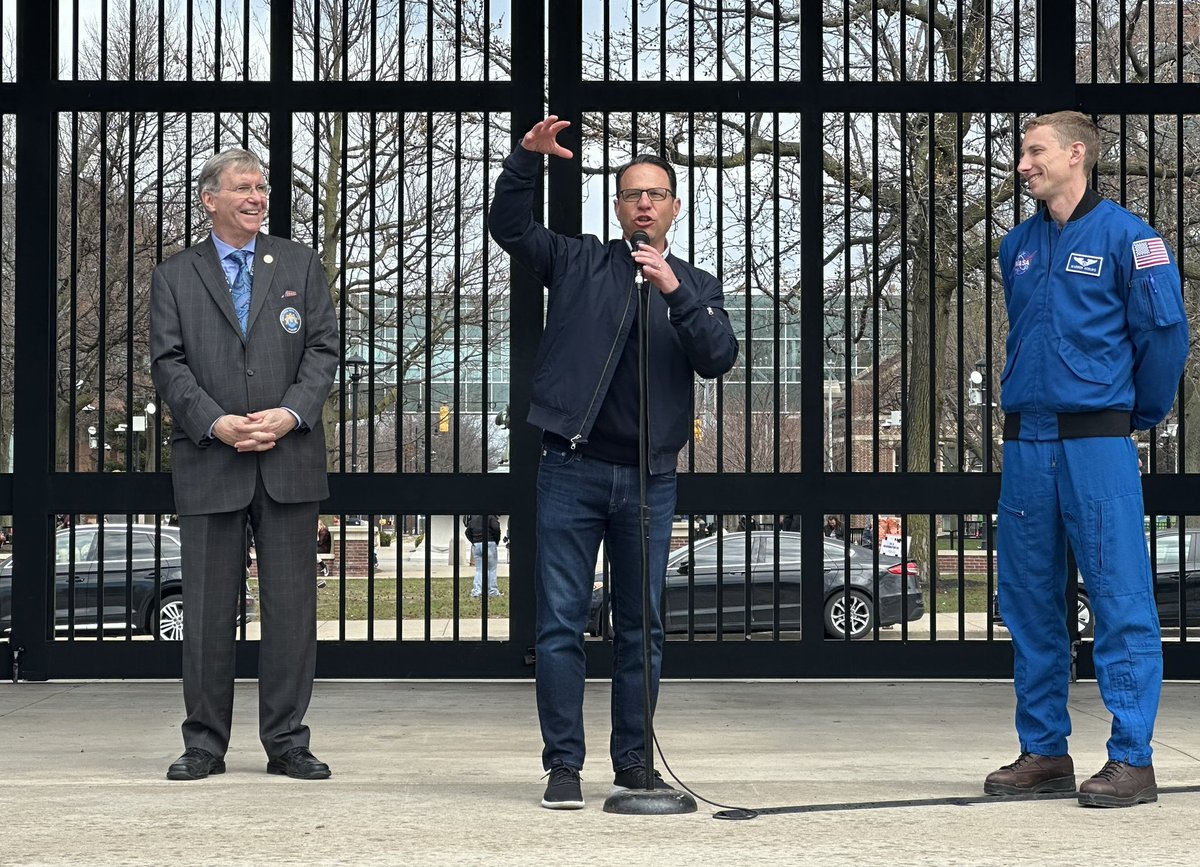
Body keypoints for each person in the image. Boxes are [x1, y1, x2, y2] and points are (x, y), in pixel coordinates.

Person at [489, 116, 738, 810]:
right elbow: (510, 227)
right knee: (560, 623)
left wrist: (674, 293)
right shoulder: (577, 262)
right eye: (631, 194)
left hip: (651, 480)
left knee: (642, 626)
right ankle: (563, 765)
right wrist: (525, 162)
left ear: (675, 208)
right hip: (571, 469)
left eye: (657, 194)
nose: (644, 205)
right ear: (617, 207)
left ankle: (633, 762)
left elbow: (719, 356)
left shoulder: (695, 284)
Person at [984, 112, 1188, 808]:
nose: (1023, 164)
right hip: (1026, 442)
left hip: (1096, 442)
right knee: (1030, 600)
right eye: (1022, 153)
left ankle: (1132, 757)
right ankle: (1045, 751)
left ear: (1077, 155)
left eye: (1035, 151)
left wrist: (1135, 416)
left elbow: (1164, 337)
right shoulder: (1017, 245)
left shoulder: (1134, 241)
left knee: (1119, 594)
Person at [150, 147, 339, 782]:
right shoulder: (175, 276)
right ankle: (204, 742)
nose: (258, 196)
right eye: (243, 187)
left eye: (262, 187)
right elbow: (168, 364)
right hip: (211, 461)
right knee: (205, 612)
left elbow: (322, 349)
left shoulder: (299, 263)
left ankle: (287, 741)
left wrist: (288, 415)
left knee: (291, 612)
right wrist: (214, 422)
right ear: (209, 199)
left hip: (288, 459)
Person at [464, 514, 502, 598]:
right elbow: (496, 528)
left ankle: (476, 591)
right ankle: (493, 591)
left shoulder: (474, 518)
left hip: (477, 544)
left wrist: (473, 541)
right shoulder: (491, 516)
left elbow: (467, 532)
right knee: (492, 569)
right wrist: (496, 540)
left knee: (479, 570)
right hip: (490, 542)